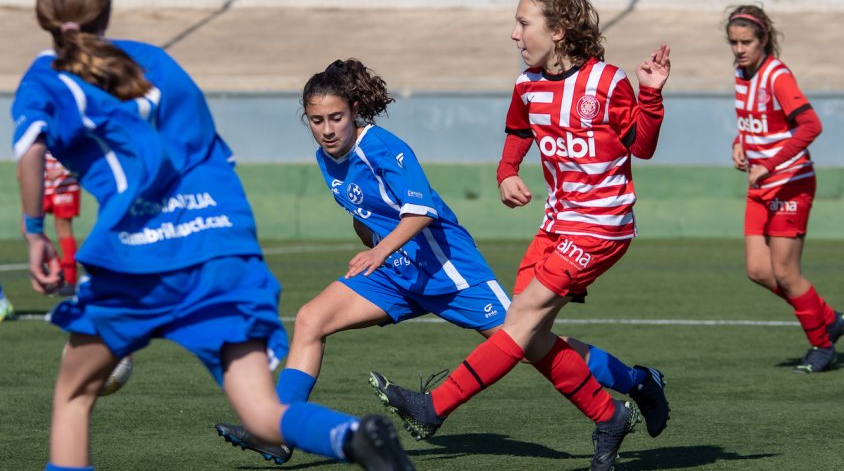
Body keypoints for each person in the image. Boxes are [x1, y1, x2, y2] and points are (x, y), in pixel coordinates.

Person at [13, 0, 414, 470]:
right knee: (263, 409)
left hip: (140, 254)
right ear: (107, 8)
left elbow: (31, 154)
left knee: (72, 395)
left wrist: (34, 233)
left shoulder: (45, 75)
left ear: (42, 13)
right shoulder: (159, 63)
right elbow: (208, 155)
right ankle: (352, 434)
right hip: (220, 246)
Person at [214, 57, 669, 468]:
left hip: (449, 272)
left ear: (354, 111)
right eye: (317, 121)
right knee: (311, 319)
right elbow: (366, 215)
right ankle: (275, 431)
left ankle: (633, 384)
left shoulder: (384, 148)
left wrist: (378, 249)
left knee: (533, 344)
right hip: (395, 275)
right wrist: (375, 245)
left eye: (336, 117)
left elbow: (420, 210)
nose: (328, 129)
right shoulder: (326, 157)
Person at [369, 0, 671, 471]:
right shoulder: (527, 85)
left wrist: (651, 95)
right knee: (527, 337)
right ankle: (622, 401)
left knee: (522, 317)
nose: (514, 34)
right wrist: (506, 172)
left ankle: (435, 407)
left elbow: (642, 145)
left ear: (558, 31)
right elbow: (517, 131)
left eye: (523, 22)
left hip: (601, 226)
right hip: (557, 223)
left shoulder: (606, 82)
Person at [725, 5, 843, 373]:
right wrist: (739, 143)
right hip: (760, 183)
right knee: (759, 271)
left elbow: (811, 126)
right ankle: (828, 318)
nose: (740, 48)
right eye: (734, 42)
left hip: (790, 182)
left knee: (786, 272)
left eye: (746, 42)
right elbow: (755, 123)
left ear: (764, 40)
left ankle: (822, 346)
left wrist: (770, 163)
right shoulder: (741, 73)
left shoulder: (777, 75)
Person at [43, 151, 81, 296]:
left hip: (65, 183)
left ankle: (69, 279)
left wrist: (64, 169)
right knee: (30, 227)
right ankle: (57, 270)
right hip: (42, 182)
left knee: (63, 228)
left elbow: (82, 146)